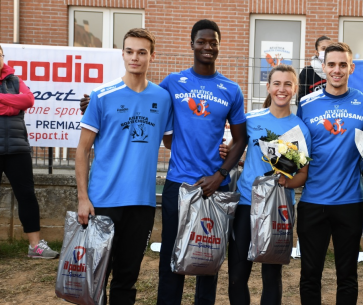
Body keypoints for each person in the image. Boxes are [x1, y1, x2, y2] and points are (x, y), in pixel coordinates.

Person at [80, 19, 248, 304]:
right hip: (177, 185)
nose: (207, 47)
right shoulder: (171, 83)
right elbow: (142, 102)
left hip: (214, 188)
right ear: (192, 44)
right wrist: (92, 104)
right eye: (201, 41)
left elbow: (240, 138)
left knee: (208, 259)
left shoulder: (231, 89)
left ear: (219, 46)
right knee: (171, 258)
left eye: (213, 42)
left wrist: (221, 172)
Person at [75, 28, 173, 304]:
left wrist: (216, 147)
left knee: (127, 278)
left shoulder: (162, 98)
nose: (135, 58)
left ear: (152, 56)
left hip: (142, 203)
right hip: (104, 201)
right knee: (95, 277)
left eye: (142, 52)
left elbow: (172, 142)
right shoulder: (103, 95)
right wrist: (83, 198)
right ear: (123, 54)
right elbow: (82, 151)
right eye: (130, 51)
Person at [224, 64, 311, 305]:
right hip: (246, 205)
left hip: (278, 209)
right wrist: (223, 150)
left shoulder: (300, 129)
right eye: (277, 83)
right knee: (237, 274)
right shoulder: (250, 119)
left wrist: (287, 181)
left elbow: (303, 174)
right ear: (268, 87)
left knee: (271, 276)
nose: (281, 89)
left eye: (287, 84)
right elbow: (231, 149)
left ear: (295, 88)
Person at [296, 42, 363, 305]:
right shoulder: (306, 104)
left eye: (343, 65)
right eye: (331, 64)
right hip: (313, 202)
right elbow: (297, 151)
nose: (337, 70)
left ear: (351, 67)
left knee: (348, 276)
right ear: (323, 67)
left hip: (350, 202)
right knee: (309, 276)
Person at [0, 45, 59, 259]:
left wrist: (2, 99)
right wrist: (12, 104)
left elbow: (28, 101)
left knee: (27, 196)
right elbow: (18, 104)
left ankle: (35, 247)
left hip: (18, 149)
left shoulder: (15, 81)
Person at [298, 36, 332, 102]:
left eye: (330, 49)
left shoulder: (336, 71)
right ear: (316, 53)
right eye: (323, 48)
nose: (327, 51)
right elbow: (300, 98)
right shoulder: (307, 72)